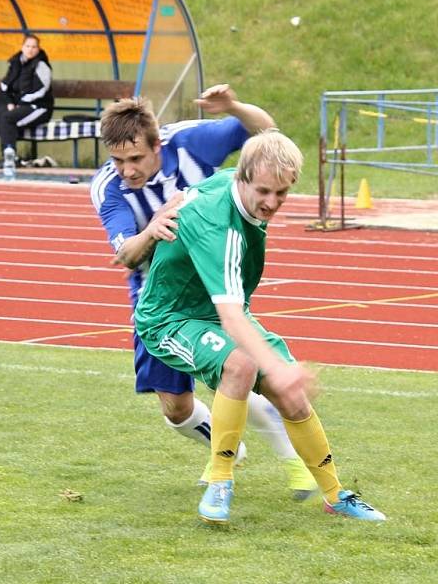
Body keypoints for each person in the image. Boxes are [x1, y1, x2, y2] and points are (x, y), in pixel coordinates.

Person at [133, 129, 386, 523]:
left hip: (214, 312)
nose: (272, 203)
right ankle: (220, 482)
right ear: (243, 179)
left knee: (293, 399)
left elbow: (254, 144)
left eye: (281, 193)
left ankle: (337, 495)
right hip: (170, 318)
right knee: (243, 364)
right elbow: (233, 318)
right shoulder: (221, 226)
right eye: (264, 191)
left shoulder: (239, 179)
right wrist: (279, 369)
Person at [91, 88, 318, 498]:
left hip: (217, 283)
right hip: (160, 300)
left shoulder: (189, 143)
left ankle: (285, 459)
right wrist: (152, 228)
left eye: (136, 159)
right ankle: (229, 445)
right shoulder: (108, 187)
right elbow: (124, 254)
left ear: (156, 145)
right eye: (118, 160)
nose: (127, 169)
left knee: (238, 368)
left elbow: (266, 134)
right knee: (175, 410)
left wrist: (233, 107)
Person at [0, 34, 53, 169]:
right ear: (22, 47)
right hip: (17, 106)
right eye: (28, 46)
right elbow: (5, 86)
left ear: (38, 49)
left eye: (34, 47)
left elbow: (41, 91)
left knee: (7, 118)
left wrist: (20, 104)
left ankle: (10, 159)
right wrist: (9, 102)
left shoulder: (41, 66)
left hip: (39, 108)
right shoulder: (15, 63)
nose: (30, 49)